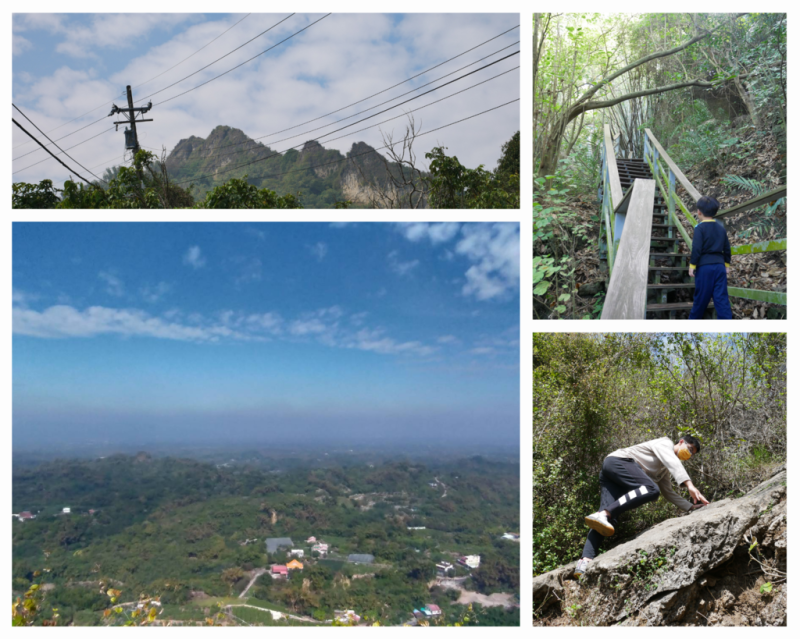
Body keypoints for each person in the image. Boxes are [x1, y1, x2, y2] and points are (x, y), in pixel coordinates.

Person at [574, 436, 709, 578]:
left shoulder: (663, 470)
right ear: (681, 442)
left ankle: (584, 561)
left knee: (605, 520)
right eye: (689, 449)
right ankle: (605, 513)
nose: (689, 454)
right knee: (651, 489)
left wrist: (690, 507)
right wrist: (690, 485)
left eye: (692, 454)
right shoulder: (665, 443)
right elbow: (673, 462)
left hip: (612, 471)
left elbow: (668, 492)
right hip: (618, 462)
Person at [688, 196, 733, 319]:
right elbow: (727, 248)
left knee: (701, 300)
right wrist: (727, 265)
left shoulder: (699, 228)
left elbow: (696, 249)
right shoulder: (721, 229)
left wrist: (692, 265)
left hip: (704, 268)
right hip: (719, 267)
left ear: (699, 212)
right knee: (721, 300)